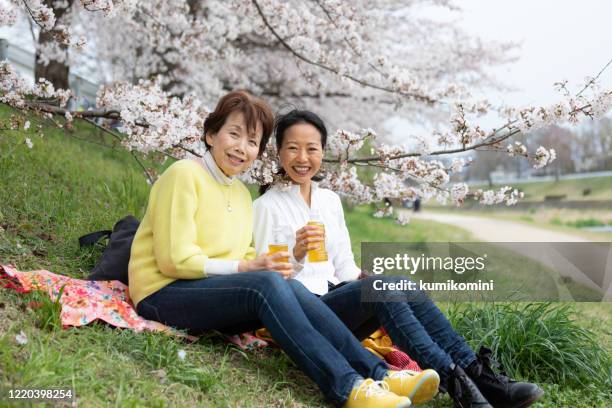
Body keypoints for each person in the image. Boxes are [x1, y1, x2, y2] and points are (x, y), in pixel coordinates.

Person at [129, 91, 437, 408]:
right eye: (233, 134)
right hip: (163, 294)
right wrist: (249, 269)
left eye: (252, 142)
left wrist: (274, 263)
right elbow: (173, 260)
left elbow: (243, 255)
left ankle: (380, 375)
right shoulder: (185, 174)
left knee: (283, 282)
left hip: (209, 297)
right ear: (211, 134)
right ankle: (348, 389)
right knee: (266, 283)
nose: (241, 148)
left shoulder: (238, 193)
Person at [253, 109, 544, 408]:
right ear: (279, 153)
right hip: (304, 314)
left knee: (399, 283)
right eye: (293, 148)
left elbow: (345, 268)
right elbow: (272, 284)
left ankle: (477, 374)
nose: (302, 157)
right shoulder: (267, 207)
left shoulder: (329, 201)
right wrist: (297, 254)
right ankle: (457, 383)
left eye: (311, 148)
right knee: (384, 287)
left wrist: (383, 285)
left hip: (338, 301)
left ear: (323, 152)